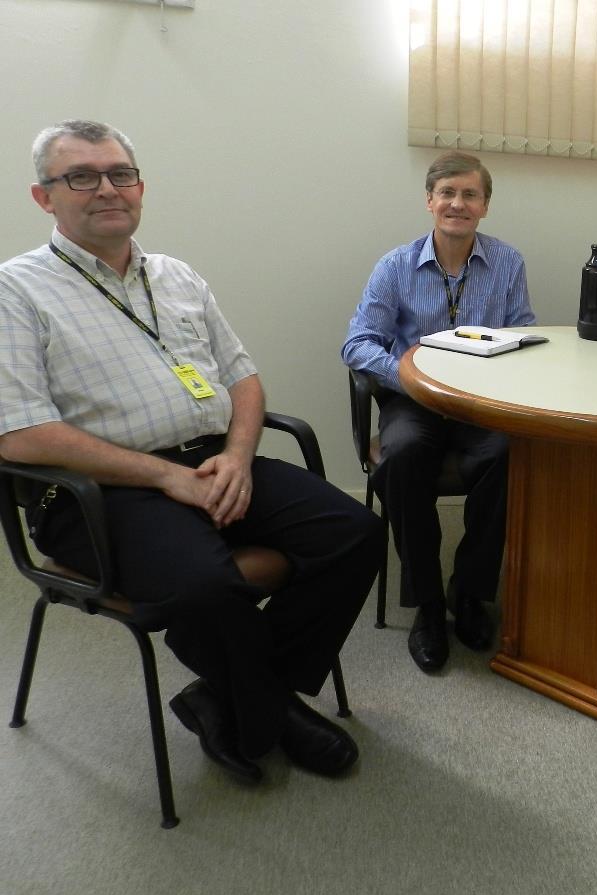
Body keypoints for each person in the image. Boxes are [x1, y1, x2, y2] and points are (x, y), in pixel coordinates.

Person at [0, 120, 385, 783]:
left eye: (120, 174)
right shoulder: (16, 290)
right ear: (44, 197)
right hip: (96, 493)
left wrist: (237, 457)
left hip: (211, 461)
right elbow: (21, 434)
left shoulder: (175, 275)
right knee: (207, 585)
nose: (106, 189)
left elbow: (243, 379)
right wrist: (164, 479)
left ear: (140, 186)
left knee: (355, 532)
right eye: (81, 177)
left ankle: (230, 693)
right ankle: (270, 710)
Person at [342, 151, 534, 673]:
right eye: (447, 192)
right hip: (415, 402)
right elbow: (357, 344)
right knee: (401, 456)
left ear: (485, 206)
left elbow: (522, 336)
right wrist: (410, 378)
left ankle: (469, 592)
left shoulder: (508, 263)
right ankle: (427, 603)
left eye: (470, 194)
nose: (458, 203)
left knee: (514, 454)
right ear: (430, 201)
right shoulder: (396, 266)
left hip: (479, 404)